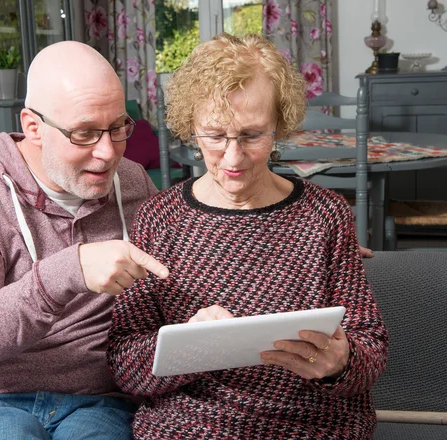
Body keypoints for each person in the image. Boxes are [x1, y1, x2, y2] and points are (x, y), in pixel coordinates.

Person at [106, 33, 389, 439]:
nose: (233, 158)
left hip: (314, 425)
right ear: (191, 127)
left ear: (279, 125)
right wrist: (185, 348)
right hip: (193, 427)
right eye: (215, 136)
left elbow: (371, 348)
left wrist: (342, 363)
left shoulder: (325, 215)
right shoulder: (159, 219)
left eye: (252, 135)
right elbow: (124, 364)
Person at [0, 41, 168, 440]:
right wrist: (68, 271)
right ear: (34, 127)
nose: (108, 153)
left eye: (117, 127)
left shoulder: (134, 181)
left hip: (101, 401)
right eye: (85, 133)